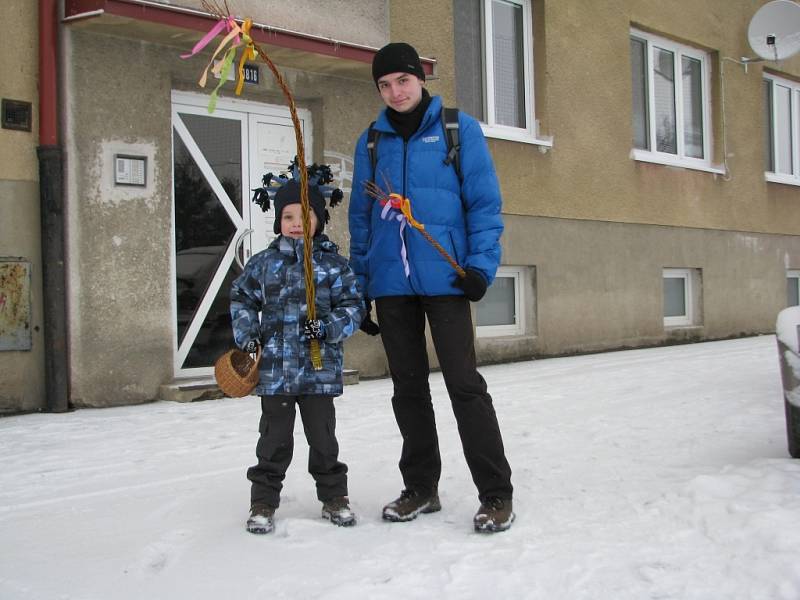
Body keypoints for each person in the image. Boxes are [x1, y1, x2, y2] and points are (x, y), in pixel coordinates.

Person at [348, 42, 514, 532]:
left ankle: (496, 494)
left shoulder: (457, 130)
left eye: (402, 80)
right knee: (408, 389)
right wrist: (360, 286)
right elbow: (362, 219)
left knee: (464, 385)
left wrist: (481, 266)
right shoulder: (371, 141)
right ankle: (421, 487)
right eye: (384, 84)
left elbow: (483, 203)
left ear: (419, 79)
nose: (394, 92)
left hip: (446, 279)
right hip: (392, 284)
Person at [231, 163, 365, 534]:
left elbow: (354, 307)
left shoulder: (335, 267)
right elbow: (241, 298)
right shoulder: (264, 265)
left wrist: (326, 327)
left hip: (318, 370)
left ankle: (334, 497)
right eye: (287, 216)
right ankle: (263, 501)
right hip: (275, 370)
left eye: (304, 215)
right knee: (273, 439)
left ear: (318, 220)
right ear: (278, 221)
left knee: (323, 438)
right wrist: (248, 335)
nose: (295, 222)